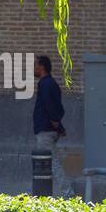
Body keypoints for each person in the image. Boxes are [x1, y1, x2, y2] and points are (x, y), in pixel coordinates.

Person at [32, 55, 69, 197]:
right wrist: (59, 127)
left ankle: (67, 193)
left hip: (46, 130)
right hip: (49, 129)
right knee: (50, 162)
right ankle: (50, 193)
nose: (33, 69)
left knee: (51, 163)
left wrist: (55, 122)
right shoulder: (50, 83)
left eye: (35, 65)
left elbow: (50, 106)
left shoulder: (45, 84)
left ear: (41, 67)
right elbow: (57, 107)